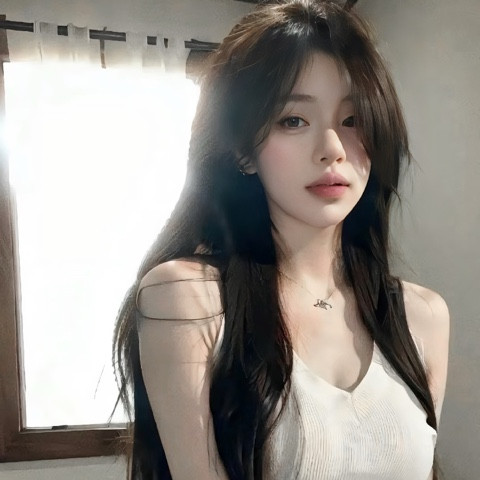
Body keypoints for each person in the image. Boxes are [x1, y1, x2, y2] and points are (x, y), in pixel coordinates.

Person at [113, 1, 450, 479]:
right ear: (243, 151)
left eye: (353, 120)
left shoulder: (422, 316)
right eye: (293, 120)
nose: (332, 149)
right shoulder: (188, 298)